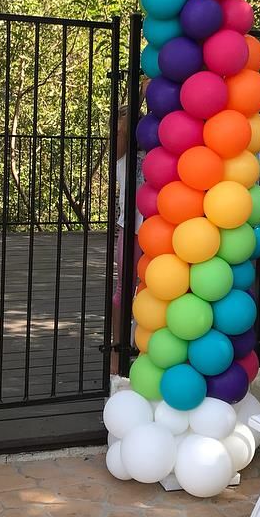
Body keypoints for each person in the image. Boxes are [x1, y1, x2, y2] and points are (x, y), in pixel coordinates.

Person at [111, 79, 149, 375]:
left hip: (160, 228)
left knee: (153, 288)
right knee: (124, 291)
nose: (128, 119)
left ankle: (145, 347)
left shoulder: (158, 138)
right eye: (122, 115)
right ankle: (118, 350)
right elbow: (124, 130)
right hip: (132, 228)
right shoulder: (123, 147)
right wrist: (138, 95)